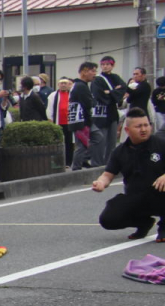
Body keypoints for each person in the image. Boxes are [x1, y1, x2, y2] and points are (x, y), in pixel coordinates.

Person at [91, 108, 165, 241]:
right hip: (137, 197)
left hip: (160, 195)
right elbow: (108, 174)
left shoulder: (160, 144)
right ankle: (143, 223)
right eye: (138, 126)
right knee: (108, 219)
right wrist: (101, 182)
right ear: (127, 130)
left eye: (146, 125)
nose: (143, 129)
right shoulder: (120, 151)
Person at [69, 62, 98, 170]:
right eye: (93, 71)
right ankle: (76, 167)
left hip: (82, 120)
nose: (94, 74)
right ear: (84, 72)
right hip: (80, 121)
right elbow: (89, 103)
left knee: (92, 140)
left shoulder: (81, 85)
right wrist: (93, 101)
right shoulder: (80, 86)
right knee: (81, 145)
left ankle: (84, 160)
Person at [96, 56, 125, 159]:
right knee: (102, 140)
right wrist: (114, 92)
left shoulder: (116, 77)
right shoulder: (98, 79)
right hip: (102, 114)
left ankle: (110, 162)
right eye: (103, 64)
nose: (105, 67)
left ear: (112, 65)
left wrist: (110, 92)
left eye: (107, 64)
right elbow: (99, 94)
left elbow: (123, 88)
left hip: (113, 112)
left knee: (112, 141)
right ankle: (100, 162)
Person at [47, 78, 75, 167]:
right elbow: (49, 109)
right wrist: (50, 120)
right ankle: (57, 162)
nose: (63, 85)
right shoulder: (53, 95)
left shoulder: (72, 95)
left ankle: (68, 162)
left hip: (69, 123)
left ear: (68, 85)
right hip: (58, 122)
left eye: (65, 83)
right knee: (58, 142)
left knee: (69, 143)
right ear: (58, 85)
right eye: (61, 83)